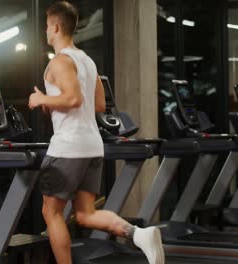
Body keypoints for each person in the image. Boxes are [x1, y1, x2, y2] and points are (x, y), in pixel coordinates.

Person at [28, 2, 164, 263]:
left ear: (55, 27)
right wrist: (53, 101)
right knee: (85, 214)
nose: (45, 31)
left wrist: (42, 99)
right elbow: (99, 104)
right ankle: (137, 234)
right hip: (92, 146)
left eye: (47, 26)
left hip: (68, 147)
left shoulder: (60, 61)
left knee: (51, 213)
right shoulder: (87, 61)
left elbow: (73, 100)